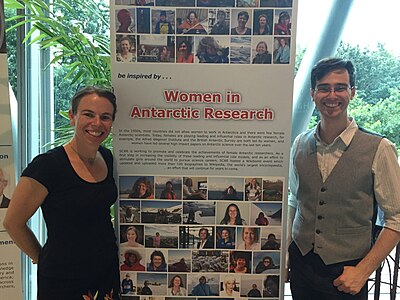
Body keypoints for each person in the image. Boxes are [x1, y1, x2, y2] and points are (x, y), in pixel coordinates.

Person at [287, 57, 400, 299]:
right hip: (301, 267)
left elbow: (397, 218)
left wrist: (363, 271)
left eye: (340, 87)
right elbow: (295, 200)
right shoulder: (299, 144)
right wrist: (286, 250)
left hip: (347, 274)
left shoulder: (380, 148)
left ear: (353, 92)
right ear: (312, 94)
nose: (332, 95)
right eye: (324, 88)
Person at [3, 87, 120, 299]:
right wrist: (42, 258)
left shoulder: (106, 157)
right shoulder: (48, 166)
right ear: (72, 117)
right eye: (88, 114)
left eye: (105, 117)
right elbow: (12, 222)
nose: (97, 123)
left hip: (105, 274)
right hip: (63, 279)